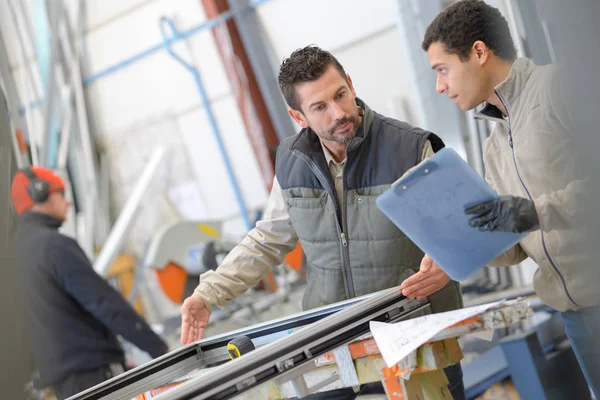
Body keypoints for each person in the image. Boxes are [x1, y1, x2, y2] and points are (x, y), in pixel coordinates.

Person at [180, 45, 465, 399]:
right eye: (320, 107)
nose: (339, 112)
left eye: (340, 94)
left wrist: (449, 264)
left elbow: (464, 232)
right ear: (298, 116)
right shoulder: (291, 162)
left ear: (350, 83)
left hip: (412, 335)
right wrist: (209, 293)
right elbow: (267, 239)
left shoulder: (409, 148)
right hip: (329, 339)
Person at [421, 0, 600, 397]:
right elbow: (513, 248)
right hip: (576, 316)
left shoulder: (559, 87)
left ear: (479, 53)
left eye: (442, 69)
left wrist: (533, 211)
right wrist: (454, 251)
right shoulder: (493, 145)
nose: (439, 86)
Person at [10, 167, 169, 400]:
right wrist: (160, 349)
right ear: (40, 193)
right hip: (96, 374)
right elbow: (104, 303)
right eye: (61, 193)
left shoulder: (12, 258)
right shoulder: (55, 246)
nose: (68, 203)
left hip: (63, 384)